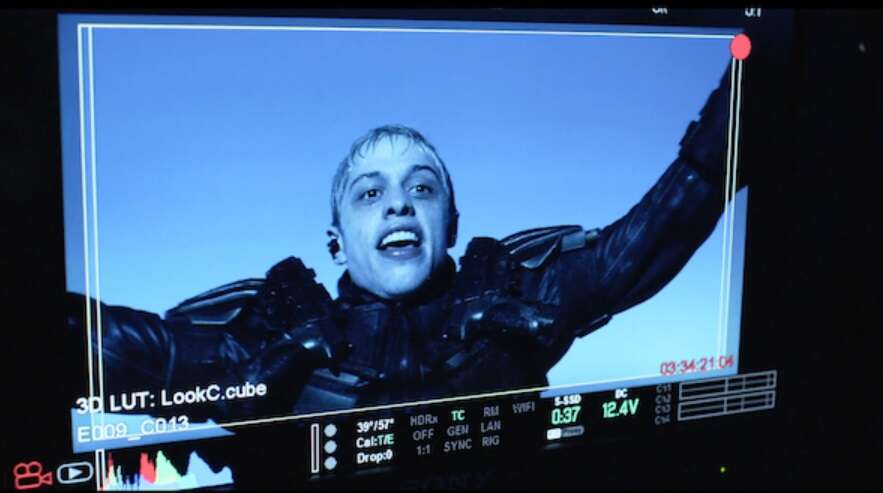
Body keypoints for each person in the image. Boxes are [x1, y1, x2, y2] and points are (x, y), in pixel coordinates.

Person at [66, 69, 736, 421]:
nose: (397, 204)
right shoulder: (258, 339)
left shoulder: (521, 297)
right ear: (336, 243)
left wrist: (743, 99)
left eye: (421, 187)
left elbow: (663, 227)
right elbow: (87, 343)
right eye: (369, 193)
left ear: (451, 224)